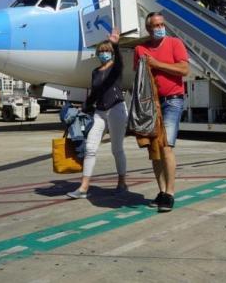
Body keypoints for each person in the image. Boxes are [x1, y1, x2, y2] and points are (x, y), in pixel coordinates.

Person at [134, 12, 189, 213]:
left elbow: (184, 70)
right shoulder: (140, 49)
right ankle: (162, 190)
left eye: (161, 24)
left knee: (166, 146)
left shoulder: (175, 43)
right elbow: (139, 78)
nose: (159, 28)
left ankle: (170, 193)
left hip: (172, 100)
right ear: (148, 28)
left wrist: (157, 65)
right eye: (155, 25)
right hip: (150, 104)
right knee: (154, 149)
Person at [68, 30, 128, 199]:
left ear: (111, 52)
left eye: (107, 51)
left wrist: (115, 44)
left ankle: (122, 182)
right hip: (100, 112)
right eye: (101, 51)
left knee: (117, 149)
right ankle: (83, 187)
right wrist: (83, 107)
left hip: (116, 108)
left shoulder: (116, 68)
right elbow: (94, 94)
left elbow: (120, 60)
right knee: (90, 148)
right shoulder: (95, 72)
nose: (103, 53)